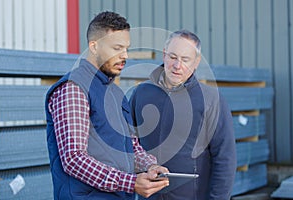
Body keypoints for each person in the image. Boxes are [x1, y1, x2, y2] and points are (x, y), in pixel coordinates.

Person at [45, 11, 169, 200]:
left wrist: (150, 166)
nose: (125, 55)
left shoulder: (116, 93)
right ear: (94, 47)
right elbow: (74, 159)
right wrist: (131, 183)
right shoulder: (73, 89)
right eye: (117, 48)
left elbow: (131, 147)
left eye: (126, 48)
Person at [129, 30, 237, 199]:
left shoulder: (210, 99)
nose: (177, 65)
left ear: (196, 62)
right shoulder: (141, 93)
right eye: (172, 57)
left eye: (185, 59)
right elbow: (127, 144)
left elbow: (225, 158)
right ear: (164, 55)